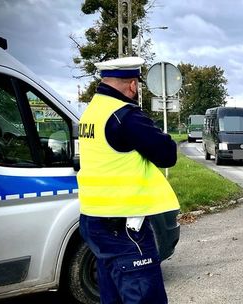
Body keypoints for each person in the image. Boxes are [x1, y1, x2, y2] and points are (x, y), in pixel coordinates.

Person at [77, 56, 180, 304]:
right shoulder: (125, 116)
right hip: (125, 227)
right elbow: (167, 154)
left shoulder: (91, 112)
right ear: (133, 86)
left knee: (112, 297)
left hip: (94, 221)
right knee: (145, 298)